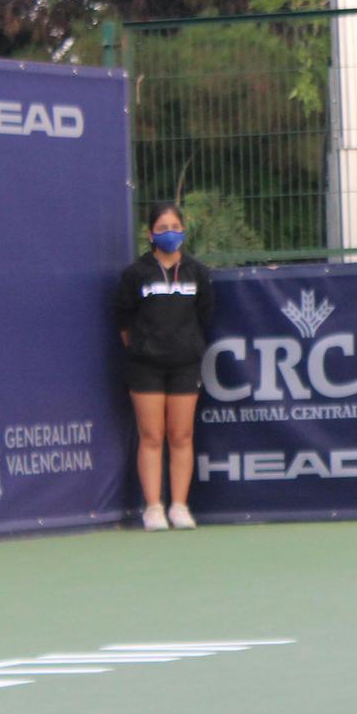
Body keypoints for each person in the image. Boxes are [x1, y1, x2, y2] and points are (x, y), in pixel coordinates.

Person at [113, 203, 214, 531]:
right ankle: (154, 508)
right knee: (152, 435)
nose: (169, 232)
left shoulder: (197, 273)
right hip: (145, 368)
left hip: (185, 365)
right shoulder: (135, 274)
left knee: (181, 435)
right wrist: (144, 348)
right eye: (162, 227)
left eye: (175, 226)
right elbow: (124, 321)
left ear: (183, 230)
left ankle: (180, 507)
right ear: (150, 234)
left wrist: (186, 347)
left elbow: (204, 315)